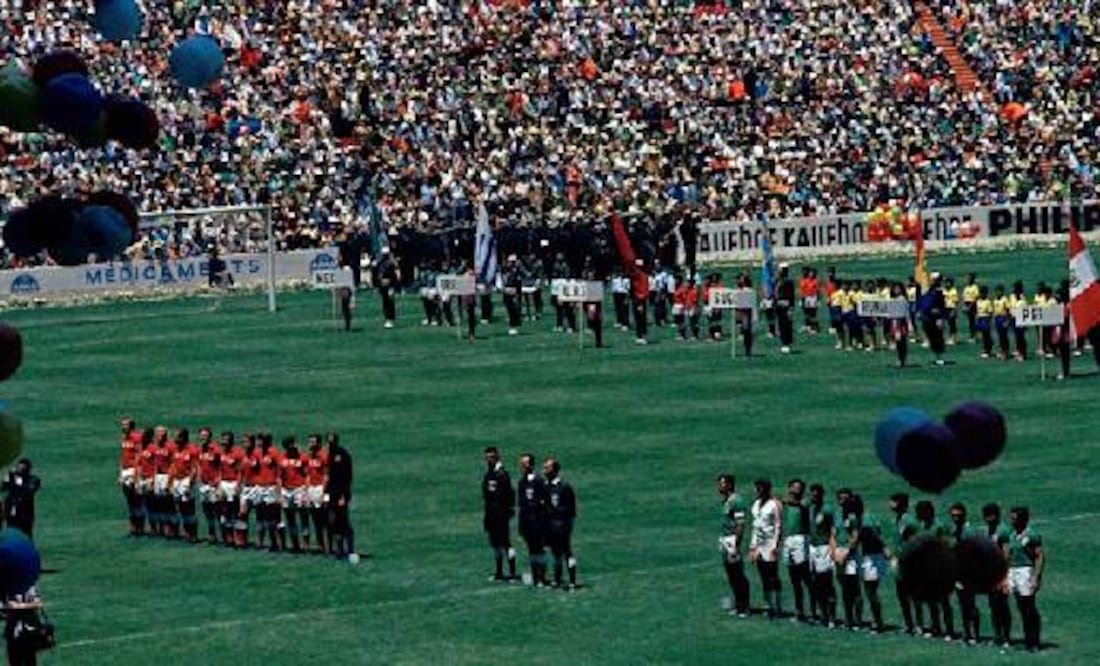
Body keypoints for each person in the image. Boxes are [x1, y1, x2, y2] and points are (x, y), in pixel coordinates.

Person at [915, 500, 955, 638]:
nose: (918, 515)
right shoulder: (922, 526)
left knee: (944, 601)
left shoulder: (939, 526)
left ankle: (949, 630)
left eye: (920, 512)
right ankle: (936, 627)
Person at [1007, 506, 1044, 652]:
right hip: (1014, 571)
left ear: (1022, 519)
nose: (1011, 521)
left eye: (1014, 518)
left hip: (1025, 571)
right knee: (1021, 607)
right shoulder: (1012, 535)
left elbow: (1039, 556)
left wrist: (1036, 576)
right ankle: (1028, 639)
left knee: (1029, 607)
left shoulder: (1031, 535)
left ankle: (1034, 641)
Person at [850, 495, 887, 633]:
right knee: (870, 591)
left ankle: (878, 623)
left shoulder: (864, 520)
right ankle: (873, 621)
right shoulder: (865, 517)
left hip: (872, 558)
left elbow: (873, 537)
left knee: (871, 592)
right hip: (870, 556)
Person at [888, 493, 923, 635]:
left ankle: (919, 624)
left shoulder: (910, 521)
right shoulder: (897, 519)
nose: (890, 504)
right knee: (901, 594)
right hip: (898, 560)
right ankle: (909, 624)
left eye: (893, 501)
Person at [717, 474, 750, 617]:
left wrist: (736, 543)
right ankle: (738, 604)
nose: (719, 486)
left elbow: (740, 524)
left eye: (722, 484)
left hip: (732, 540)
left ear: (730, 485)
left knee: (738, 573)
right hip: (725, 539)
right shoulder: (726, 501)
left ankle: (744, 606)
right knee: (731, 573)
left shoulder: (737, 501)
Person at [481, 447, 516, 581]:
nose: (488, 459)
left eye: (491, 457)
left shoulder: (502, 474)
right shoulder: (489, 473)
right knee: (495, 543)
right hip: (491, 513)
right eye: (487, 457)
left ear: (496, 457)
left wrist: (508, 511)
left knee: (506, 543)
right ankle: (499, 571)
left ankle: (512, 573)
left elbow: (509, 494)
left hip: (501, 513)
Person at [948, 503, 981, 644]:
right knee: (962, 604)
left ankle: (975, 633)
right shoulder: (954, 531)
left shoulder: (970, 531)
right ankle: (967, 632)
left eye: (958, 515)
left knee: (970, 603)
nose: (955, 518)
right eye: (953, 515)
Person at [749, 478, 783, 618]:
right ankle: (768, 603)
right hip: (759, 544)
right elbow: (755, 526)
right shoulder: (756, 504)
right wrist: (752, 546)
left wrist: (775, 546)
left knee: (772, 575)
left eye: (759, 488)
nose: (757, 491)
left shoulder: (774, 504)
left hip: (770, 544)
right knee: (763, 574)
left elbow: (778, 526)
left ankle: (777, 604)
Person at [543, 457, 578, 589]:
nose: (545, 470)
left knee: (567, 552)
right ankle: (557, 580)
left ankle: (572, 581)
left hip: (562, 524)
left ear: (555, 470)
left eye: (547, 468)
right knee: (556, 553)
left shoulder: (564, 487)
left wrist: (568, 525)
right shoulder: (546, 486)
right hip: (550, 525)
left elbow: (572, 509)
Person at [982, 503, 1013, 647]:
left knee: (1002, 606)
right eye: (986, 516)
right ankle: (997, 635)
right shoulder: (989, 530)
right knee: (993, 606)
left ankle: (1006, 637)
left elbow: (1006, 554)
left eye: (990, 515)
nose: (988, 519)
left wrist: (1004, 577)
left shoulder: (1003, 531)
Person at [780, 479, 811, 621]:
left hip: (801, 539)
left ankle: (815, 611)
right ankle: (800, 611)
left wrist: (786, 501)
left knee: (805, 577)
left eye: (799, 488)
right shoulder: (785, 504)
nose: (796, 490)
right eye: (794, 487)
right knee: (794, 579)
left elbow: (801, 505)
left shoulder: (805, 502)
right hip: (788, 540)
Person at [807, 483, 837, 627]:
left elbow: (833, 530)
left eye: (816, 494)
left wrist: (832, 549)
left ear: (821, 494)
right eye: (812, 493)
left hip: (824, 547)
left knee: (826, 582)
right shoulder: (810, 507)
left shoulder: (827, 509)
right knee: (815, 583)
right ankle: (821, 615)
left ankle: (831, 617)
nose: (813, 496)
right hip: (813, 547)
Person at [517, 453, 548, 587]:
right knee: (531, 550)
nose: (522, 466)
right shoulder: (521, 482)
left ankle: (541, 577)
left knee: (538, 549)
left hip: (538, 521)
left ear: (531, 465)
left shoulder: (539, 481)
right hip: (527, 522)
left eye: (525, 463)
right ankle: (535, 576)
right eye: (521, 464)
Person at [3, 586, 51, 666]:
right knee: (15, 660)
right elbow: (8, 605)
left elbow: (38, 604)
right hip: (13, 630)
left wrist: (19, 606)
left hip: (29, 630)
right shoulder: (7, 585)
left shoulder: (28, 585)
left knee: (30, 659)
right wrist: (27, 606)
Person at [326, 433, 355, 560]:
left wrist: (343, 496)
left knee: (343, 521)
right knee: (334, 521)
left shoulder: (342, 454)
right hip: (332, 493)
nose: (330, 444)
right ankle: (339, 549)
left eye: (332, 442)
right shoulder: (329, 454)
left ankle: (350, 549)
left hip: (341, 493)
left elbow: (347, 477)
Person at [279, 437, 310, 552]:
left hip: (299, 489)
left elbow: (307, 475)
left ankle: (306, 545)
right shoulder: (281, 458)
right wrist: (280, 493)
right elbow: (279, 477)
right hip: (286, 490)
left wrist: (305, 491)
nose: (294, 446)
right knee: (290, 517)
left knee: (303, 516)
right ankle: (295, 544)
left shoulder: (303, 457)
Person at [169, 430, 200, 543]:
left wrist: (189, 484)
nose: (175, 439)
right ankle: (187, 532)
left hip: (186, 480)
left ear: (183, 438)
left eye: (177, 437)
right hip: (177, 480)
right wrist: (171, 482)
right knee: (180, 507)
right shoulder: (175, 449)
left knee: (189, 508)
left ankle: (194, 534)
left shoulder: (192, 450)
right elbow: (173, 466)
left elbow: (194, 468)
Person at [255, 433, 283, 552]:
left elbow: (279, 473)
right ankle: (262, 543)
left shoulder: (274, 453)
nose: (258, 443)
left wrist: (278, 491)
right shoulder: (257, 453)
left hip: (271, 487)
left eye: (260, 440)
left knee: (272, 517)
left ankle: (275, 544)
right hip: (260, 487)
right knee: (260, 516)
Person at [216, 432, 245, 547]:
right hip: (223, 483)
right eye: (223, 439)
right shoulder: (220, 453)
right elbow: (219, 469)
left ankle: (239, 538)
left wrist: (238, 485)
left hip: (233, 483)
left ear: (231, 441)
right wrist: (219, 484)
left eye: (226, 440)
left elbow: (240, 472)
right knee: (224, 510)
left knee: (235, 510)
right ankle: (228, 537)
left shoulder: (237, 453)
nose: (224, 442)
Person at [195, 428, 222, 545]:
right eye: (201, 436)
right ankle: (212, 534)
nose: (203, 438)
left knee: (217, 510)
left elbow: (222, 466)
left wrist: (218, 480)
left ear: (210, 437)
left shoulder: (215, 450)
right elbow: (199, 465)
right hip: (203, 484)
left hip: (214, 484)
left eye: (205, 436)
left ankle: (224, 536)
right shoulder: (199, 450)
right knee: (207, 510)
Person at [2, 460, 40, 540]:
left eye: (22, 468)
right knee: (12, 535)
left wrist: (16, 480)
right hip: (12, 513)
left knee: (26, 536)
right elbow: (4, 487)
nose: (19, 470)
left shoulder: (33, 480)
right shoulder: (12, 479)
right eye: (18, 468)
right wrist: (9, 477)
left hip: (25, 514)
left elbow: (28, 490)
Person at [118, 418, 143, 536]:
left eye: (126, 425)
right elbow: (123, 456)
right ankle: (134, 526)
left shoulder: (136, 437)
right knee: (129, 499)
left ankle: (139, 526)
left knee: (136, 499)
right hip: (125, 471)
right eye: (122, 425)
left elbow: (139, 455)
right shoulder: (124, 438)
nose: (123, 427)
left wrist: (135, 475)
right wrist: (120, 474)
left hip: (133, 470)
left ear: (131, 426)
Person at [305, 434, 330, 554]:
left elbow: (326, 476)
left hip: (321, 488)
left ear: (318, 443)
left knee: (325, 519)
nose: (310, 444)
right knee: (315, 520)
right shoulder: (309, 456)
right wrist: (307, 491)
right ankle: (321, 546)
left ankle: (329, 545)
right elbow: (308, 475)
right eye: (309, 442)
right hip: (312, 489)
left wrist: (323, 493)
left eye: (312, 442)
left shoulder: (324, 456)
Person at [151, 426, 177, 538]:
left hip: (167, 476)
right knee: (159, 503)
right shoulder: (154, 446)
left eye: (163, 433)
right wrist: (153, 478)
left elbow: (173, 464)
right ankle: (162, 527)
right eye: (158, 433)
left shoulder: (171, 446)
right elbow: (154, 463)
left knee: (169, 503)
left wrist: (170, 481)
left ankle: (172, 528)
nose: (160, 435)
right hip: (158, 476)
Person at [919, 275, 948, 366]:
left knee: (938, 337)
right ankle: (936, 355)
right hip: (926, 317)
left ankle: (940, 357)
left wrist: (940, 317)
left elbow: (941, 306)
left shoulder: (938, 292)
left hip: (935, 318)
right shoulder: (926, 291)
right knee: (931, 337)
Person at [134, 428, 156, 536]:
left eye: (146, 435)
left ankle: (155, 528)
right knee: (142, 503)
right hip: (142, 478)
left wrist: (153, 480)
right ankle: (142, 527)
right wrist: (137, 479)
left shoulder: (154, 448)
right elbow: (138, 464)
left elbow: (157, 465)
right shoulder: (140, 448)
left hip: (150, 478)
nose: (143, 437)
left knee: (152, 504)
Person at [373, 247, 400, 328]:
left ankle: (390, 318)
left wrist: (394, 286)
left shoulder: (392, 263)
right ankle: (387, 318)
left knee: (390, 301)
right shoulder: (380, 263)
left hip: (390, 283)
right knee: (385, 301)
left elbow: (396, 275)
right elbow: (378, 274)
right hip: (383, 284)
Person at [775, 263, 796, 354]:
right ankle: (783, 342)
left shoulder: (788, 281)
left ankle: (787, 343)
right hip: (778, 305)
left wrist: (791, 308)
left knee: (786, 325)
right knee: (781, 325)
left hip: (786, 305)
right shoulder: (777, 281)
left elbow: (791, 296)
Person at [502, 256, 523, 336]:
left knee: (513, 310)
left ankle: (513, 326)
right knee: (509, 308)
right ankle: (512, 324)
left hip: (513, 291)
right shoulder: (505, 271)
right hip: (506, 291)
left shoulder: (516, 272)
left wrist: (517, 294)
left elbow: (518, 284)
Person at [976, 286, 994, 358]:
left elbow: (990, 312)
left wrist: (988, 321)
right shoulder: (978, 301)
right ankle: (984, 349)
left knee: (986, 336)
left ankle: (988, 350)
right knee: (982, 336)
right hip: (980, 319)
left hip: (985, 319)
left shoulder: (988, 302)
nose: (982, 294)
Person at [962, 273, 980, 342]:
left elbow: (976, 297)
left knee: (973, 321)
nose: (968, 279)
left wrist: (970, 306)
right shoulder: (966, 287)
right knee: (970, 321)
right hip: (967, 304)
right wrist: (964, 305)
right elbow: (964, 297)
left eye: (969, 278)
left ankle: (975, 335)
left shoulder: (975, 287)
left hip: (973, 305)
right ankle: (972, 335)